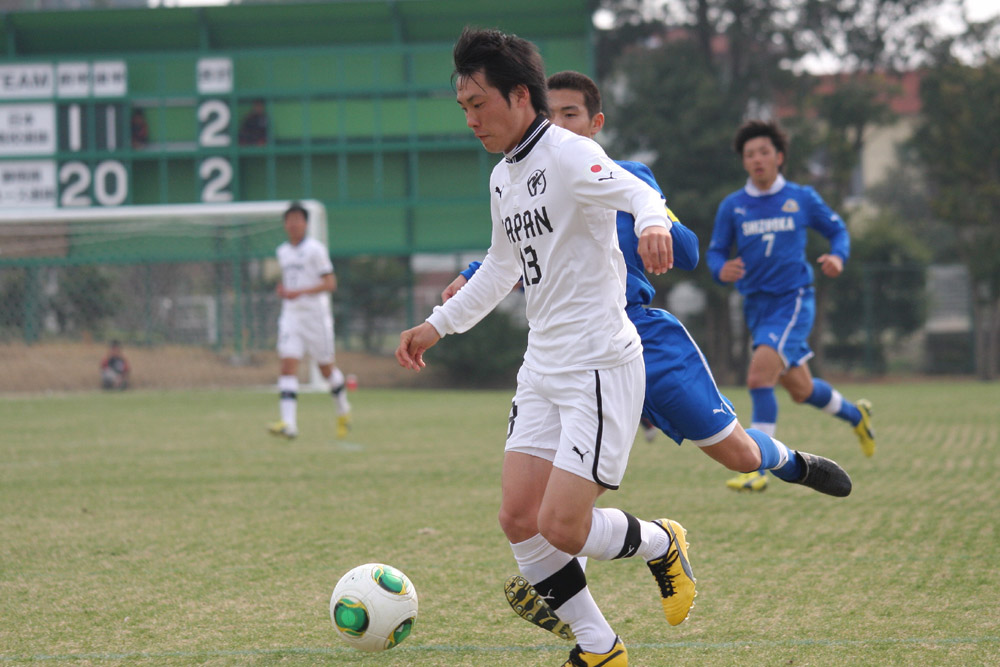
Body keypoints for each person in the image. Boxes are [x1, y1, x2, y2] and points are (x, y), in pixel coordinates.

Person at [443, 71, 854, 644]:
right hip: (572, 353)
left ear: (596, 125)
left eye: (570, 116)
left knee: (735, 454)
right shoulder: (523, 175)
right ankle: (579, 601)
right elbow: (512, 253)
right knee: (562, 499)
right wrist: (464, 285)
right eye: (551, 114)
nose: (557, 126)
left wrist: (649, 217)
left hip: (645, 342)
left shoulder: (622, 176)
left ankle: (791, 462)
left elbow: (686, 252)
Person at [396, 29, 691, 667]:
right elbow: (503, 270)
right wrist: (436, 324)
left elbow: (637, 191)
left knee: (562, 527)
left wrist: (652, 222)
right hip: (543, 368)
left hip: (598, 365)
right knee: (517, 517)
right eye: (463, 108)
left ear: (520, 95)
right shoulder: (505, 178)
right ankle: (601, 646)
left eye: (479, 104)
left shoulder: (568, 153)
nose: (471, 120)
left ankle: (661, 542)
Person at [707, 120, 876, 492]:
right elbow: (716, 251)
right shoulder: (733, 206)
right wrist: (722, 268)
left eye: (764, 152)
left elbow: (837, 230)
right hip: (757, 306)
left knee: (757, 378)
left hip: (793, 300)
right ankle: (856, 415)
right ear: (744, 162)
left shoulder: (801, 198)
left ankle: (757, 469)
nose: (757, 159)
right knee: (800, 389)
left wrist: (838, 256)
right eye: (749, 154)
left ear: (779, 157)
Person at [267, 202, 351, 440]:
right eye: (289, 220)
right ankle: (289, 423)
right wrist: (285, 290)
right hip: (291, 315)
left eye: (298, 219)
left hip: (315, 317)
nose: (293, 224)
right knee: (287, 364)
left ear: (305, 223)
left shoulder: (316, 249)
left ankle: (343, 409)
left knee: (326, 370)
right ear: (285, 224)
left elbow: (330, 283)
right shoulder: (282, 251)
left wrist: (300, 291)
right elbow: (292, 282)